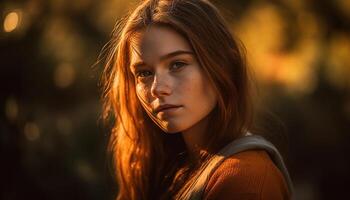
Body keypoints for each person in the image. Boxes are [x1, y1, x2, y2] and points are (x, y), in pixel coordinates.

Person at [101, 0, 293, 199]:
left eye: (177, 64)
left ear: (222, 65)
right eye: (144, 73)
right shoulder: (169, 169)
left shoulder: (244, 181)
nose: (157, 88)